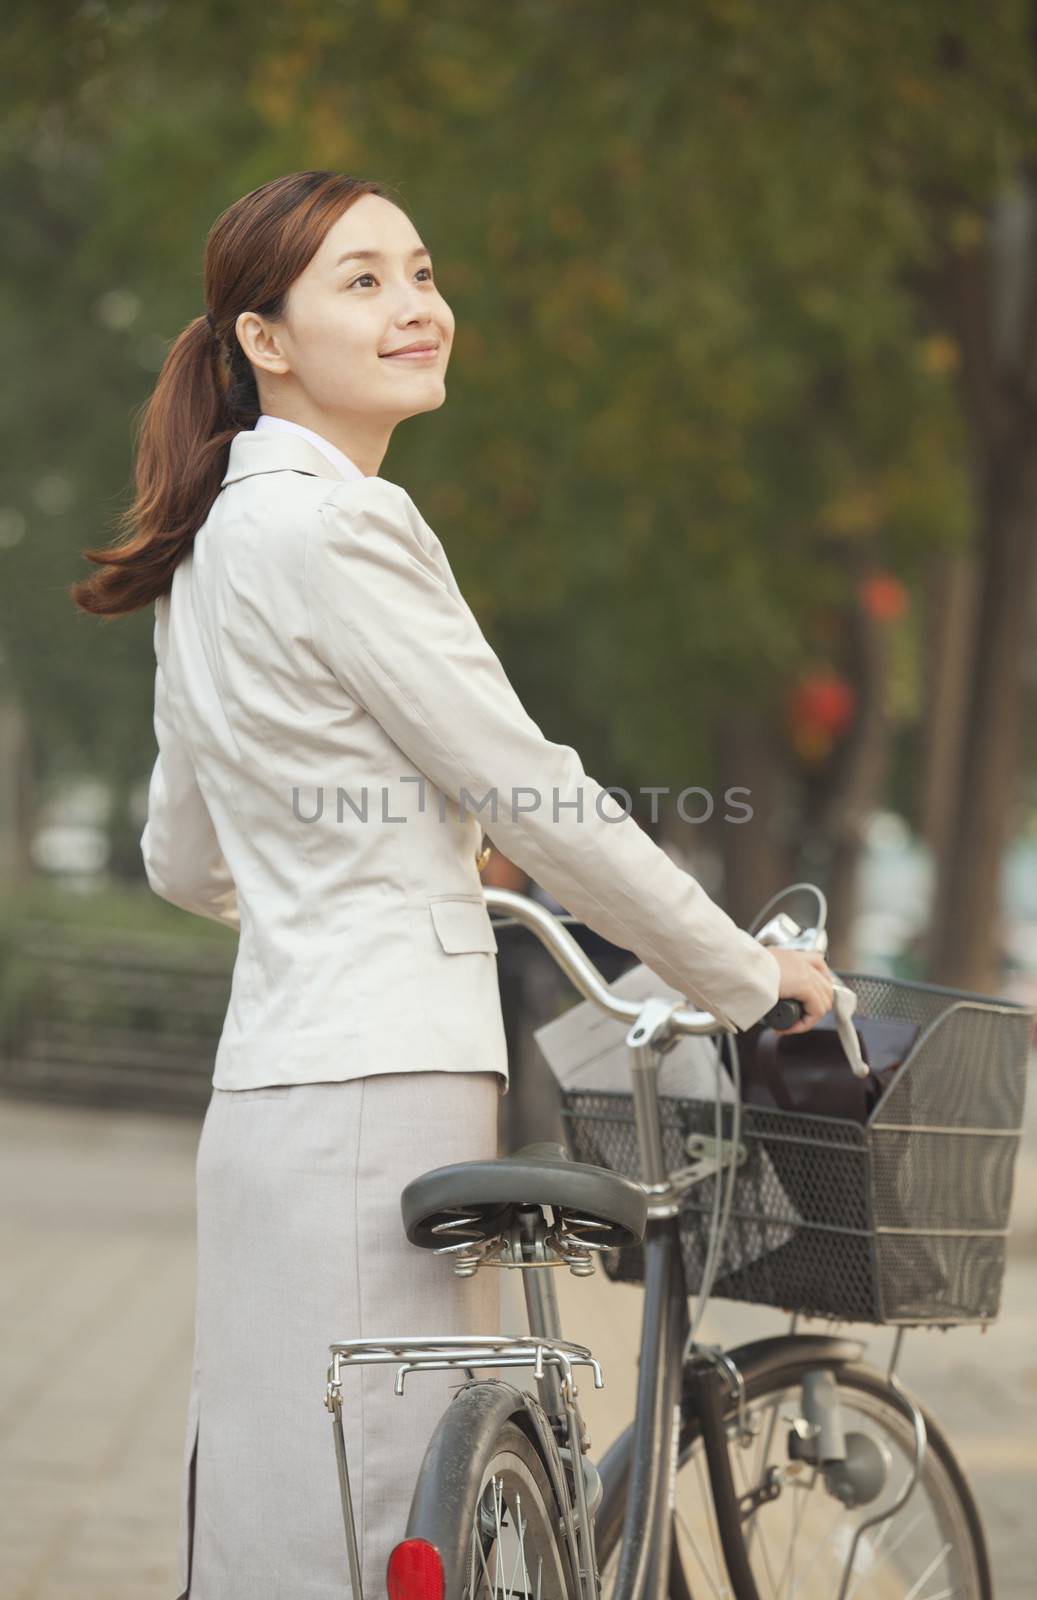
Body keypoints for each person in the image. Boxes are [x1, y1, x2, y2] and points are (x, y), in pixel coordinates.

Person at [69, 171, 835, 1600]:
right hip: (385, 1082)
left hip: (266, 1102)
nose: (417, 304)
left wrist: (353, 878)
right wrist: (744, 973)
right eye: (360, 281)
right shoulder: (346, 525)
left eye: (418, 270)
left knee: (275, 1522)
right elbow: (531, 791)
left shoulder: (211, 546)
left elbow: (184, 857)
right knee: (381, 1526)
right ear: (266, 339)